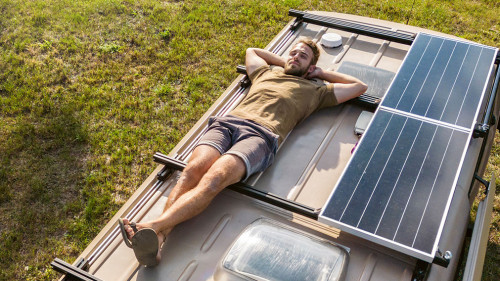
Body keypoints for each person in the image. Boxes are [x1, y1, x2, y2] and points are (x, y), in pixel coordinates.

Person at [119, 38, 368, 266]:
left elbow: (360, 86)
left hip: (261, 136)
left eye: (302, 56)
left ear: (311, 66)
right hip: (227, 124)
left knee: (214, 179)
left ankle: (152, 226)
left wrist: (321, 73)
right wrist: (286, 61)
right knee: (192, 171)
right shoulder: (265, 73)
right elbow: (252, 51)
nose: (295, 56)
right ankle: (159, 239)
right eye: (292, 52)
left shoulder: (317, 91)